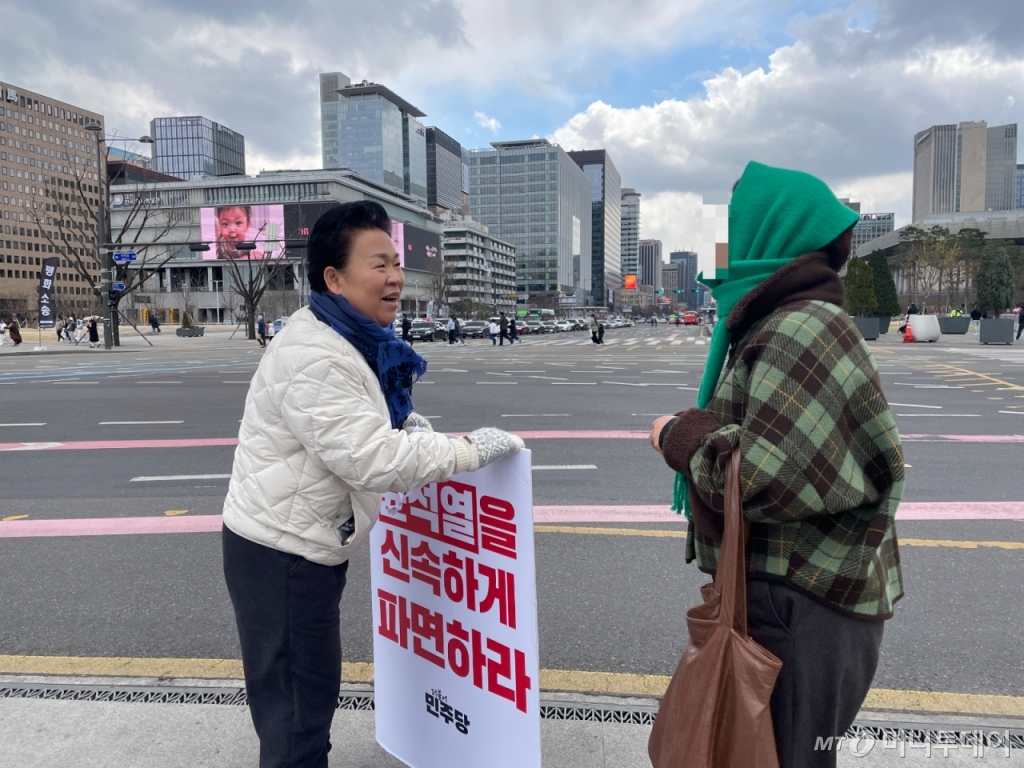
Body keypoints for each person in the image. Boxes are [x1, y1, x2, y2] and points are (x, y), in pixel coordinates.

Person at [221, 201, 524, 768]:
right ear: (333, 278)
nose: (395, 277)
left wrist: (400, 422)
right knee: (297, 714)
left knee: (302, 699)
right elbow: (372, 460)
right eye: (378, 264)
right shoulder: (316, 353)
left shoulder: (343, 337)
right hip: (283, 555)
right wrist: (467, 451)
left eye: (397, 262)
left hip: (292, 540)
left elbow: (355, 427)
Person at [648, 162, 903, 768]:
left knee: (783, 756)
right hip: (808, 592)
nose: (729, 249)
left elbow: (766, 476)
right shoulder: (796, 317)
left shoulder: (799, 327)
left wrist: (678, 438)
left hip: (801, 598)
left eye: (738, 233)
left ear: (769, 237)